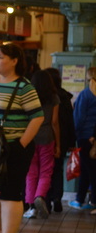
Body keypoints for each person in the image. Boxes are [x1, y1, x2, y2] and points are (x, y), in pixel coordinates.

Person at [0, 43, 43, 233]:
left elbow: (38, 117)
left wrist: (21, 144)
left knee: (10, 193)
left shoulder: (24, 87)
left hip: (14, 148)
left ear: (15, 61)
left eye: (1, 57)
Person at [23, 70, 61, 219]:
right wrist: (58, 144)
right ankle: (40, 196)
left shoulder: (29, 96)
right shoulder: (54, 98)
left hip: (31, 135)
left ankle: (31, 206)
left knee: (31, 172)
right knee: (46, 171)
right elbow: (54, 122)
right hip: (47, 137)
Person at [45, 67, 75, 213]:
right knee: (58, 169)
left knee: (46, 170)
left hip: (47, 138)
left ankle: (46, 200)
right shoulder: (65, 97)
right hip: (63, 139)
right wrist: (71, 142)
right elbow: (70, 121)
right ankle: (57, 198)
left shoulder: (45, 96)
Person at [70, 67, 96, 211]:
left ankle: (89, 201)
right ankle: (80, 199)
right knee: (88, 169)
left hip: (85, 136)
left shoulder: (85, 95)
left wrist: (75, 134)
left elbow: (79, 118)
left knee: (90, 170)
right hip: (94, 137)